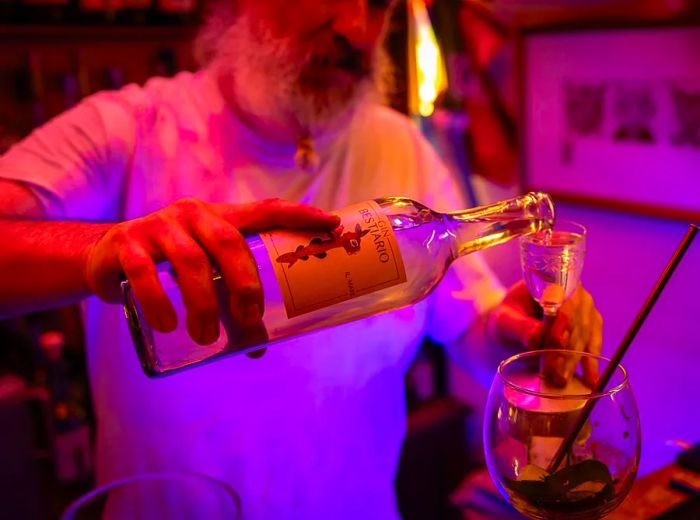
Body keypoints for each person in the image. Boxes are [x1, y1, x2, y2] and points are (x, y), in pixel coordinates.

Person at [0, 0, 602, 517]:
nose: (358, 28)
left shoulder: (399, 145)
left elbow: (470, 323)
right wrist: (102, 248)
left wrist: (520, 332)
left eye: (379, 2)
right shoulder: (131, 130)